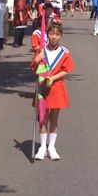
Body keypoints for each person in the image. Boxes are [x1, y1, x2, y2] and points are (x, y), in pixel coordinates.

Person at [31, 23, 73, 160]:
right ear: (47, 35)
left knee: (54, 118)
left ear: (61, 36)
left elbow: (66, 70)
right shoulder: (41, 50)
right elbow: (34, 68)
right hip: (42, 87)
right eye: (51, 34)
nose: (54, 37)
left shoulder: (65, 52)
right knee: (42, 117)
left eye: (57, 34)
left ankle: (52, 147)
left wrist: (53, 78)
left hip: (56, 88)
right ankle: (42, 147)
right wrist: (36, 60)